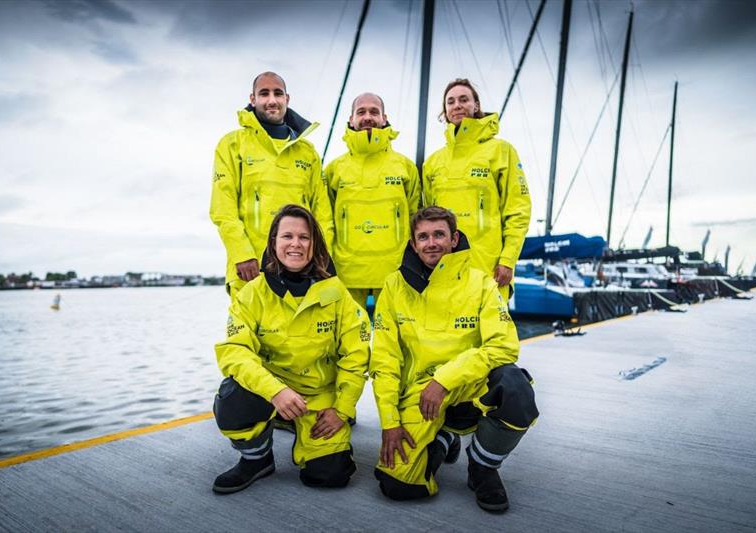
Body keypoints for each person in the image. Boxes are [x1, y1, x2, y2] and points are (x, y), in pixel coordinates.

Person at [370, 206, 539, 512]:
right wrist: (390, 422)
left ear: (454, 238)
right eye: (423, 236)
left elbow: (503, 346)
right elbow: (384, 359)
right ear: (413, 243)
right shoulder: (394, 286)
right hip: (420, 394)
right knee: (399, 486)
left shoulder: (481, 282)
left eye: (439, 234)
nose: (431, 242)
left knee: (515, 388)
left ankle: (483, 467)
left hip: (469, 383)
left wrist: (444, 379)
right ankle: (444, 438)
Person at [211, 204, 369, 493]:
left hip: (319, 398)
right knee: (233, 399)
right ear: (273, 243)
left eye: (304, 237)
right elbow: (235, 352)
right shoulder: (251, 294)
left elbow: (356, 356)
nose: (295, 244)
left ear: (314, 245)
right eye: (287, 236)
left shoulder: (338, 294)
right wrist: (275, 391)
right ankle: (256, 458)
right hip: (271, 394)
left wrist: (341, 410)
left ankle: (307, 435)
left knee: (330, 477)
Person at [210, 72, 334, 304]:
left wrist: (321, 258)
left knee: (302, 337)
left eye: (277, 93)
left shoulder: (307, 152)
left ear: (287, 98)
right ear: (253, 99)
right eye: (264, 93)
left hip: (301, 266)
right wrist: (242, 253)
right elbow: (222, 209)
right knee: (247, 337)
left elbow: (322, 213)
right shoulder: (232, 144)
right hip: (251, 267)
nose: (271, 100)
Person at [423, 79, 531, 302]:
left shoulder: (501, 151)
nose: (457, 105)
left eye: (464, 99)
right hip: (445, 270)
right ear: (445, 111)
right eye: (450, 101)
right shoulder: (433, 162)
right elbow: (426, 219)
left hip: (489, 268)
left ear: (476, 105)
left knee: (495, 335)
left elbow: (518, 211)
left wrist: (507, 260)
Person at [324, 92, 420, 310]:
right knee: (344, 340)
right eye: (361, 112)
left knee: (396, 340)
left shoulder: (405, 167)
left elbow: (417, 218)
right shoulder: (333, 170)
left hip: (395, 273)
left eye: (374, 112)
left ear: (384, 118)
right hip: (344, 274)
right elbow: (324, 220)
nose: (368, 117)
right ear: (351, 120)